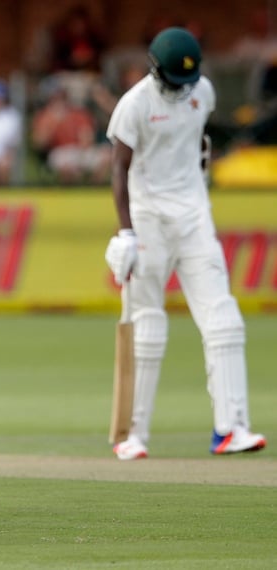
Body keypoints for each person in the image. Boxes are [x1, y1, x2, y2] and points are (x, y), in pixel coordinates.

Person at [104, 27, 267, 461]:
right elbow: (118, 170)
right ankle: (132, 434)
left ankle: (231, 429)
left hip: (194, 216)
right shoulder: (134, 105)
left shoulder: (203, 92)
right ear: (155, 70)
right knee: (148, 325)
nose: (182, 91)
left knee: (225, 319)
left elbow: (196, 143)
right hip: (148, 217)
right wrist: (126, 232)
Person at [31, 79, 110, 184]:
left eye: (61, 95)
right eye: (55, 96)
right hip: (58, 152)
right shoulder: (44, 116)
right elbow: (39, 144)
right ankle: (69, 195)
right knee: (67, 166)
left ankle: (93, 191)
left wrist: (82, 154)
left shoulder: (79, 113)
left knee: (106, 156)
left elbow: (87, 137)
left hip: (80, 151)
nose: (59, 99)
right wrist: (53, 121)